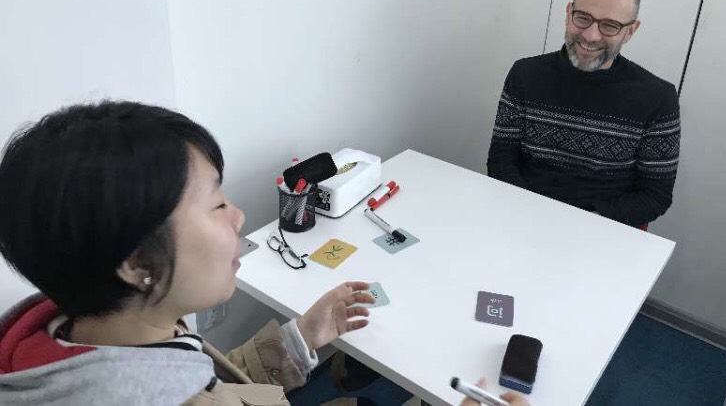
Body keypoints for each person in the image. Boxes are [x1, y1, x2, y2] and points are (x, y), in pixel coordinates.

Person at [0, 101, 528, 406]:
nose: (240, 217)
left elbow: (203, 380)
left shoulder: (72, 336)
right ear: (136, 263)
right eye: (216, 204)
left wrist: (300, 340)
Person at [487, 0, 680, 228]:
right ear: (568, 13)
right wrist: (532, 214)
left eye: (609, 25)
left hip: (601, 230)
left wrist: (581, 224)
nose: (590, 36)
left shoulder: (659, 98)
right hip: (522, 215)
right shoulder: (525, 75)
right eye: (583, 18)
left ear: (630, 31)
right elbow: (501, 161)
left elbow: (655, 196)